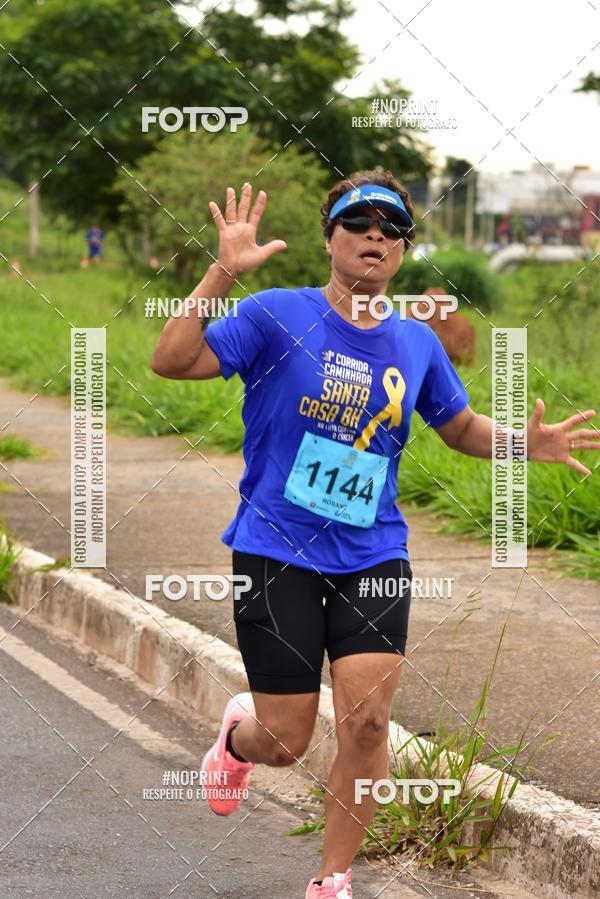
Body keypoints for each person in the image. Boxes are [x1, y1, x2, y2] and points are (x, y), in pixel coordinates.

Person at [150, 172, 599, 898]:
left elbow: (458, 426)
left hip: (374, 554)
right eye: (358, 222)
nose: (375, 236)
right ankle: (238, 739)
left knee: (366, 723)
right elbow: (171, 360)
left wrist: (525, 443)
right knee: (286, 739)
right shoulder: (275, 314)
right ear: (330, 237)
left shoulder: (416, 342)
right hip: (276, 549)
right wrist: (222, 272)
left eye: (391, 229)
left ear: (402, 249)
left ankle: (331, 879)